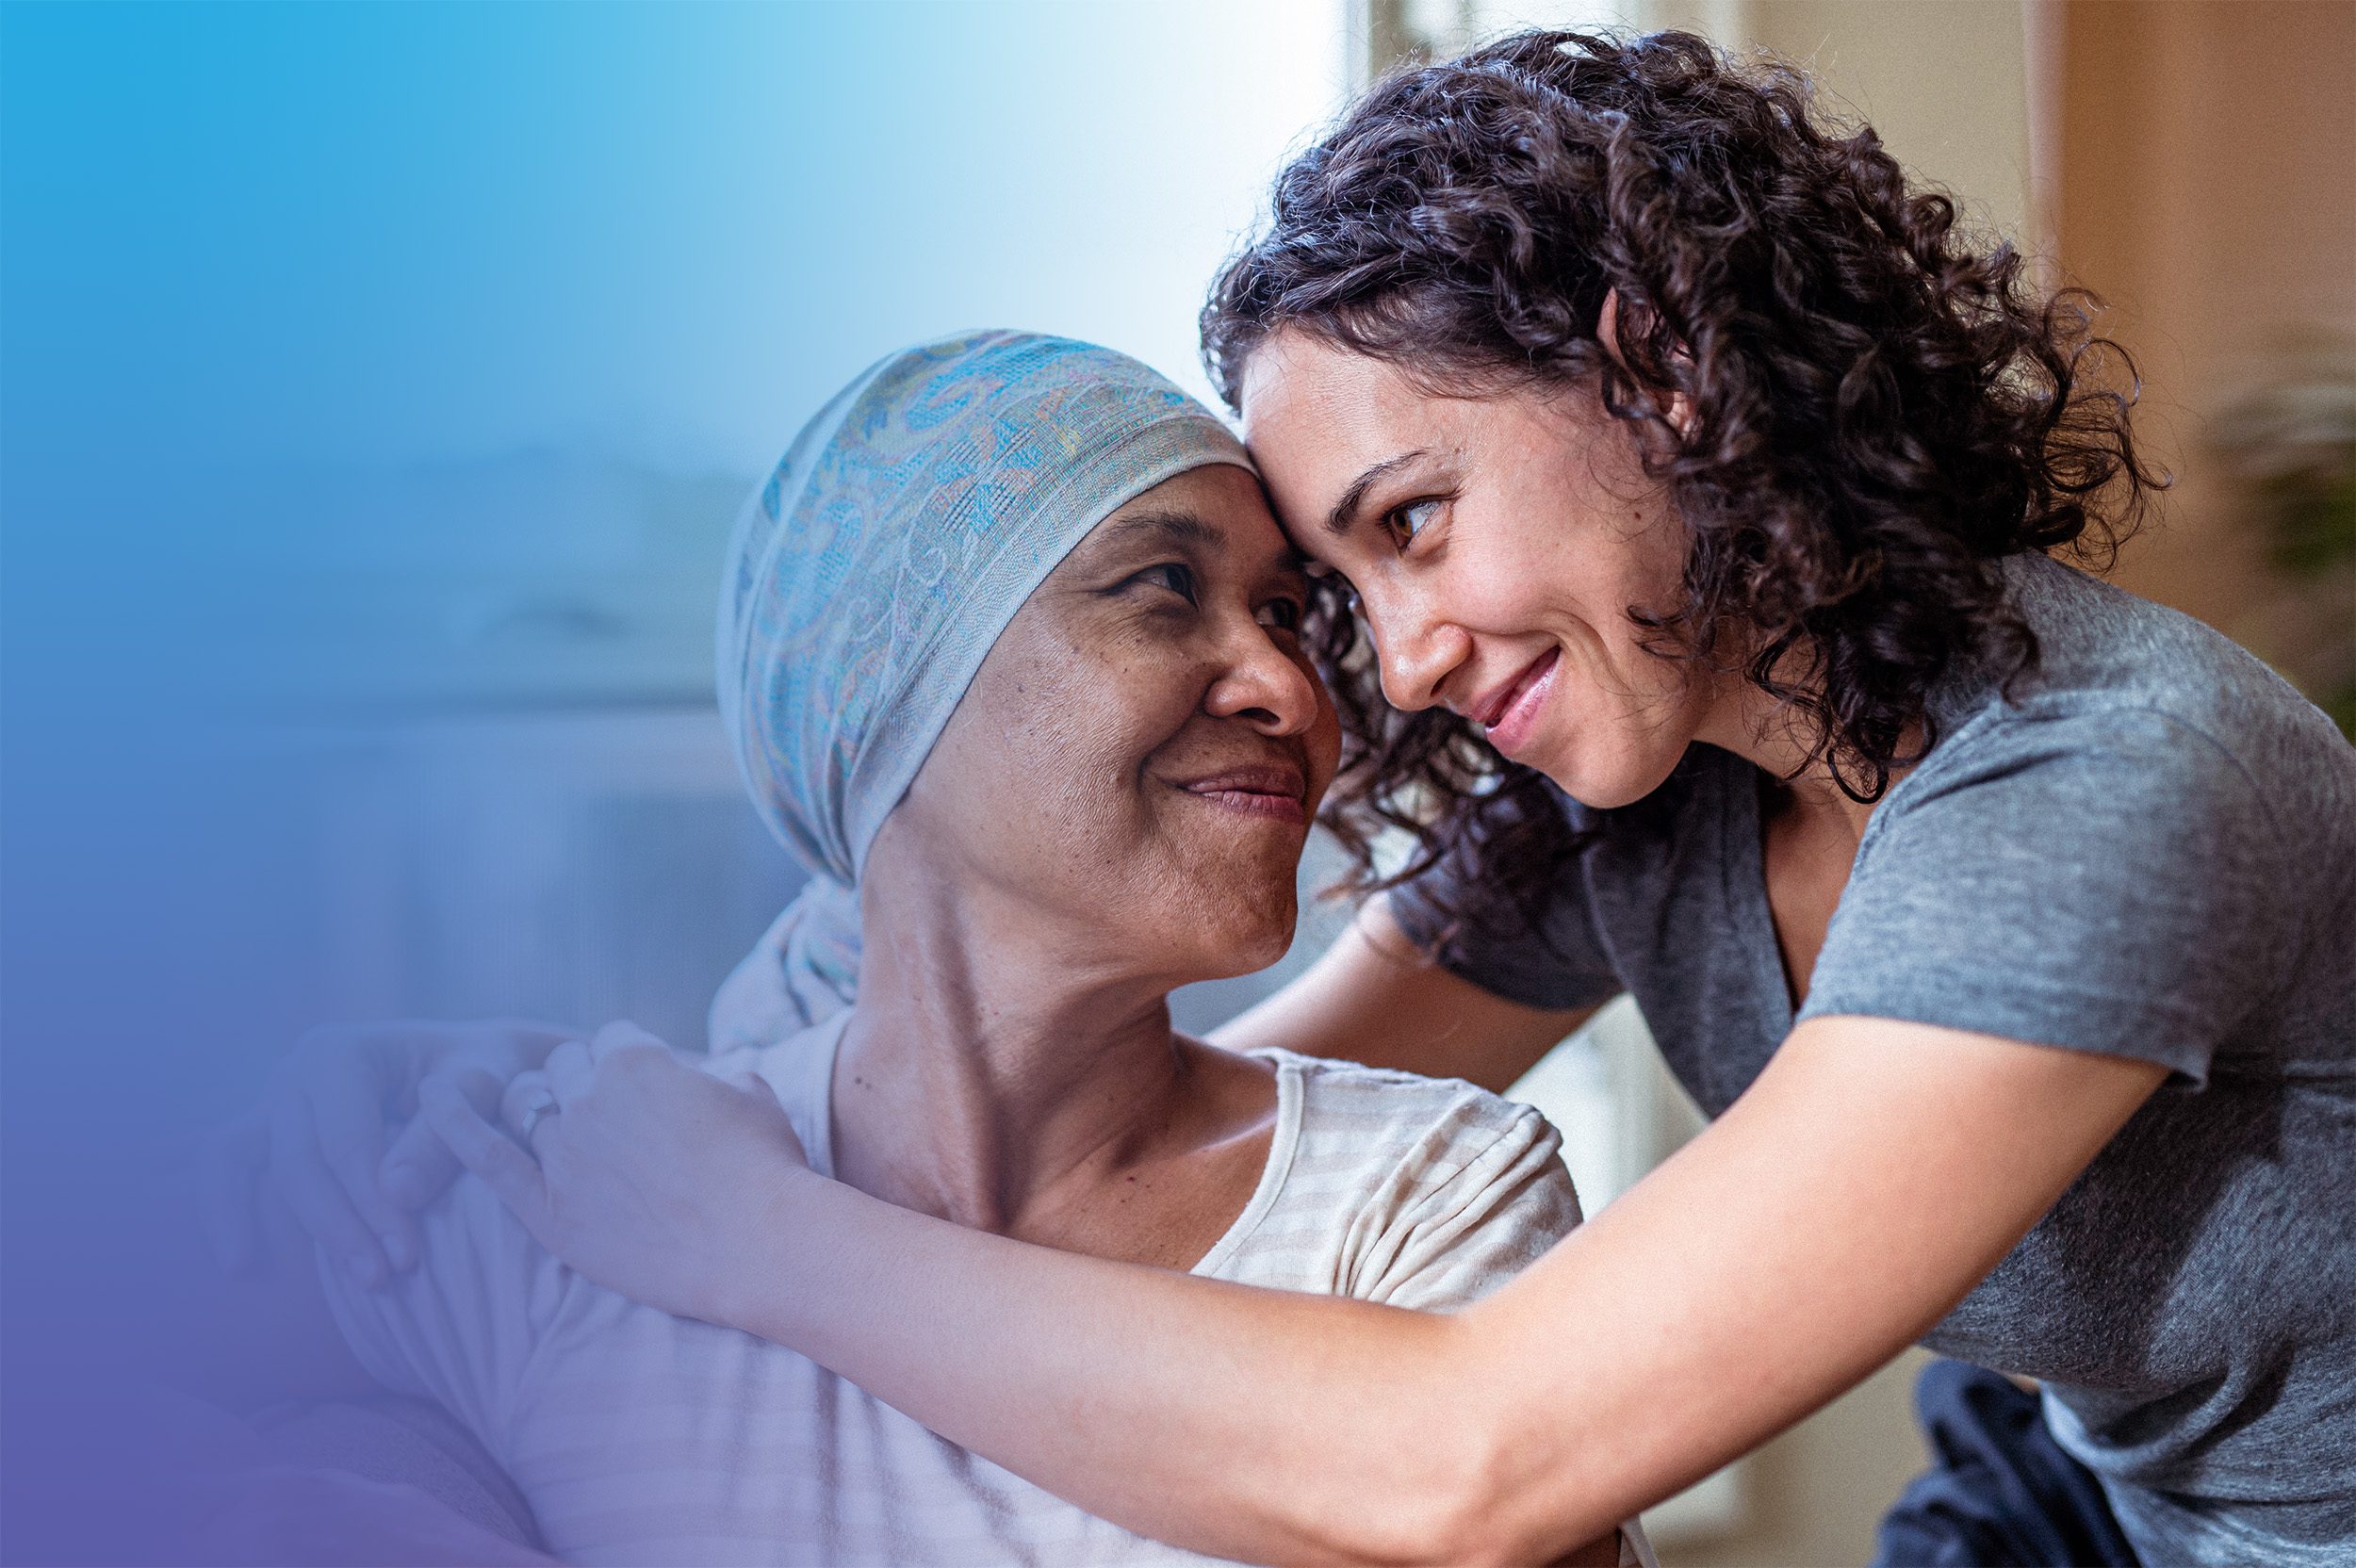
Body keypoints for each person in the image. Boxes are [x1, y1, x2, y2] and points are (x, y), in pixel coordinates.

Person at [247, 31, 2354, 1567]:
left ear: (1668, 375)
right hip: (2073, 1493)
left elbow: (1481, 1459)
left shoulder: (2106, 780)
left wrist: (734, 1229)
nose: (1395, 658)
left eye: (1411, 520)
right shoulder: (1645, 788)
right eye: (1341, 583)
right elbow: (1134, 1110)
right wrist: (540, 1112)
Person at [185, 329, 1649, 1567]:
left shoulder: (1424, 1201)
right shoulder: (535, 1191)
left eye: (1285, 613)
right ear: (892, 689)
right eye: (1161, 590)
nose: (1292, 682)